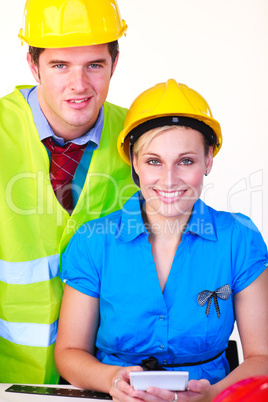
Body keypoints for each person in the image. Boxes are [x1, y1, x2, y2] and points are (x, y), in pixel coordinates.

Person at [55, 79, 268, 401]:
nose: (169, 180)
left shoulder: (238, 238)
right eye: (154, 161)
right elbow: (70, 351)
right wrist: (113, 379)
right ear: (134, 163)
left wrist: (210, 395)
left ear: (208, 160)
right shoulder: (93, 242)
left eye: (186, 161)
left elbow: (262, 357)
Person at [0, 0, 137, 384]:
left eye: (94, 65)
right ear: (33, 64)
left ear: (115, 63)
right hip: (7, 377)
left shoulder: (141, 138)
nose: (79, 85)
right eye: (60, 66)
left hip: (109, 375)